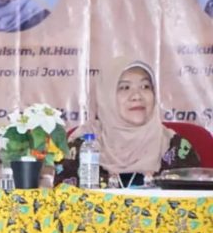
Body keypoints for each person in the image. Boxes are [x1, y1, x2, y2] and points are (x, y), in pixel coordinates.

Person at [55, 57, 200, 188]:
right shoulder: (81, 146)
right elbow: (64, 202)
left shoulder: (175, 148)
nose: (137, 96)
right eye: (124, 87)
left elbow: (195, 204)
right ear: (106, 97)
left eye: (145, 86)